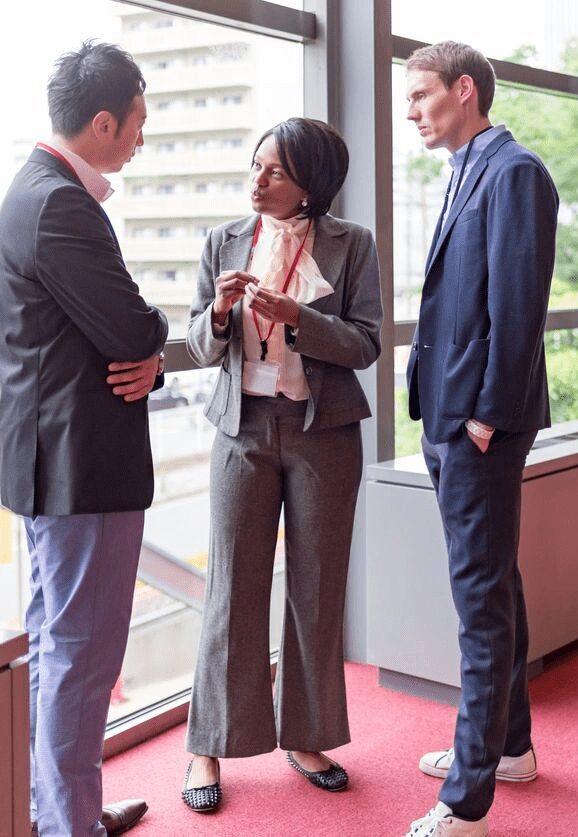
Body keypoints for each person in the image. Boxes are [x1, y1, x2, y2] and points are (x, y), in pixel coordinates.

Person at [181, 117, 382, 812]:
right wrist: (216, 313)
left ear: (311, 183)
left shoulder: (352, 244)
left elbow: (366, 345)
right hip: (241, 430)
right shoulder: (223, 241)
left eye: (274, 171)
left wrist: (299, 315)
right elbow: (196, 345)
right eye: (255, 166)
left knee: (317, 590)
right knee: (231, 590)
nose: (257, 181)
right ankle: (206, 743)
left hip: (321, 431)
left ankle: (308, 735)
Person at [0, 41, 168, 837]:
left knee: (61, 652)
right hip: (80, 471)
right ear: (103, 121)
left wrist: (147, 354)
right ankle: (68, 824)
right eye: (138, 118)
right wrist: (155, 341)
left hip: (53, 466)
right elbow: (132, 324)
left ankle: (59, 810)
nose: (143, 132)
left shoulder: (33, 191)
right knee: (80, 658)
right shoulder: (61, 204)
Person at [403, 41, 559, 837]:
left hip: (479, 426)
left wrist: (486, 416)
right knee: (494, 581)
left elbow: (519, 305)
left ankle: (467, 799)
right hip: (449, 418)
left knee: (479, 602)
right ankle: (511, 746)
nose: (411, 109)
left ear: (465, 90)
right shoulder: (469, 170)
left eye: (422, 94)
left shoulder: (514, 171)